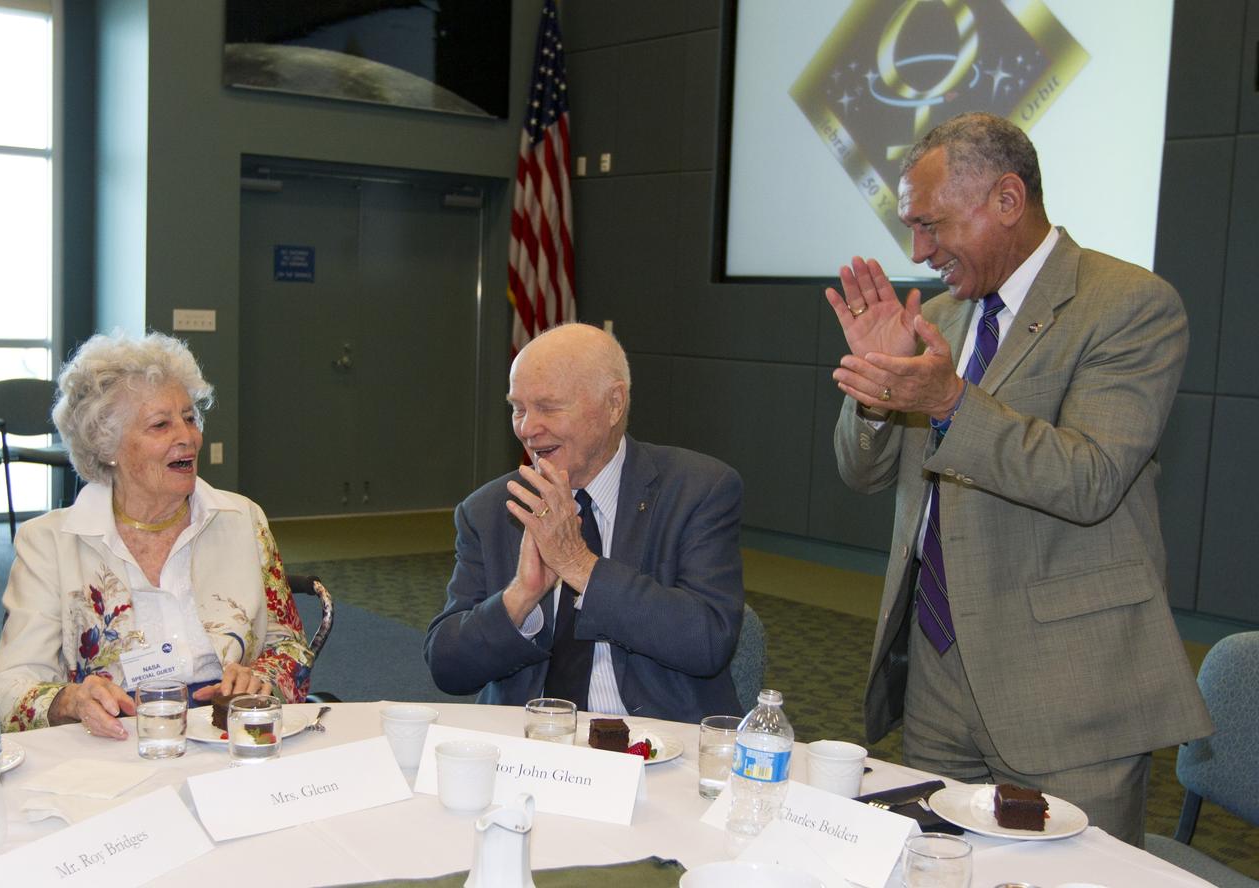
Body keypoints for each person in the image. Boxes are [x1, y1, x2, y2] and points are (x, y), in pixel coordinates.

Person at [826, 112, 1211, 845]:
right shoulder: (938, 316)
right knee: (939, 864)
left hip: (1067, 687)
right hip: (936, 672)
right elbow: (861, 473)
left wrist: (946, 400)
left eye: (932, 225)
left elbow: (1092, 476)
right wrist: (875, 393)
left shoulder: (1129, 305)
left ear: (1007, 200)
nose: (918, 250)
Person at [0, 332, 313, 738]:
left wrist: (261, 679)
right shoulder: (49, 542)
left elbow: (290, 647)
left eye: (190, 417)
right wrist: (69, 701)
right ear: (107, 446)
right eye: (160, 424)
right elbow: (5, 691)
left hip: (227, 735)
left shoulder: (242, 519)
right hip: (114, 741)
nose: (188, 436)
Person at [425, 323, 744, 723]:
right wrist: (519, 598)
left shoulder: (697, 490)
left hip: (657, 749)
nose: (527, 428)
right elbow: (448, 668)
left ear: (614, 404)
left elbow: (707, 640)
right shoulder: (493, 510)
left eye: (549, 407)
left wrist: (579, 565)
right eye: (518, 408)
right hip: (530, 752)